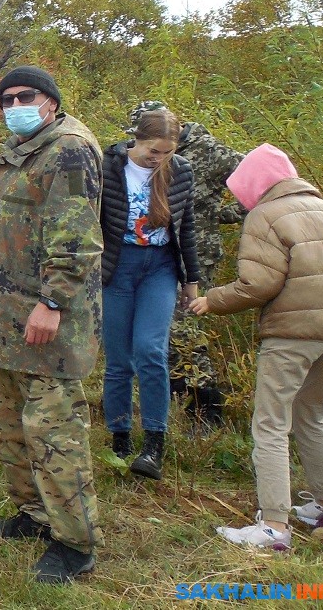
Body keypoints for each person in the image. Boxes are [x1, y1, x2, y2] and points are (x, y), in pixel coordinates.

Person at [0, 65, 104, 584]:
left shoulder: (71, 150)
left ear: (51, 101)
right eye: (6, 100)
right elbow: (12, 219)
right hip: (5, 320)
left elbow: (76, 235)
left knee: (53, 430)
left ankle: (75, 542)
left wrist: (52, 303)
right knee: (7, 423)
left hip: (46, 323)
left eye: (25, 97)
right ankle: (34, 515)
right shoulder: (21, 152)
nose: (14, 106)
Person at [190, 143, 323, 549]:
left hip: (293, 332)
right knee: (311, 414)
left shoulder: (266, 215)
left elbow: (259, 284)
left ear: (254, 184)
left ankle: (275, 528)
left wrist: (212, 300)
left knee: (270, 423)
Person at [129, 101, 245, 429]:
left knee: (183, 331)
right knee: (162, 333)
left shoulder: (210, 151)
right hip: (156, 255)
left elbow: (258, 178)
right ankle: (176, 405)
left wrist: (222, 215)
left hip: (194, 257)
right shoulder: (150, 151)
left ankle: (207, 412)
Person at [100, 108, 201, 480]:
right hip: (116, 266)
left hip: (160, 268)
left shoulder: (181, 172)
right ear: (136, 139)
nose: (158, 158)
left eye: (167, 152)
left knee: (150, 350)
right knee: (119, 358)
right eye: (153, 150)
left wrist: (192, 279)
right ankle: (120, 437)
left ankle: (154, 443)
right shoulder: (108, 166)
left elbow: (185, 226)